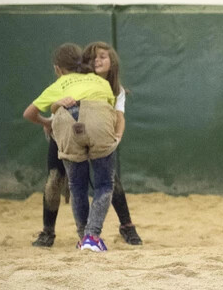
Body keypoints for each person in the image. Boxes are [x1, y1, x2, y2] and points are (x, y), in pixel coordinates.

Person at [30, 42, 143, 248]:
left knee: (108, 180)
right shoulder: (72, 80)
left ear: (113, 63)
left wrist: (117, 137)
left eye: (102, 57)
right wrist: (56, 107)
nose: (96, 61)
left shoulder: (114, 89)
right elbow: (52, 105)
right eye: (91, 57)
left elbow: (119, 116)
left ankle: (126, 226)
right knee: (56, 179)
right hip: (65, 132)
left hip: (97, 130)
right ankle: (49, 231)